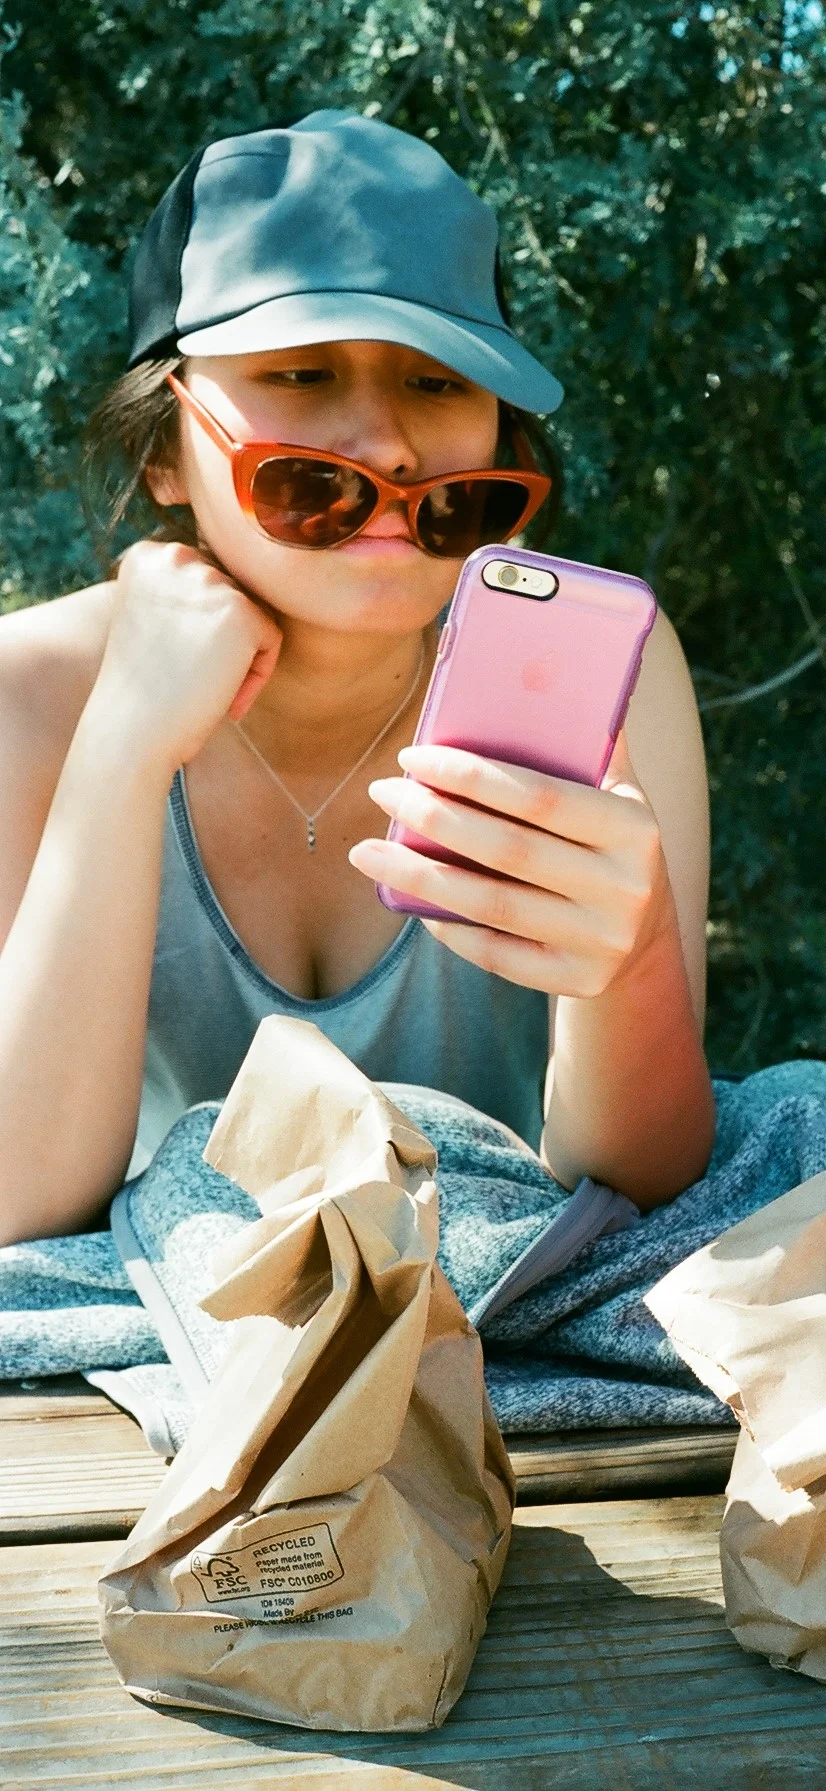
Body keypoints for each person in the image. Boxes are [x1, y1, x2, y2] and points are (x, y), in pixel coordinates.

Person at [0, 110, 715, 1249]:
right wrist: (123, 754)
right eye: (300, 371)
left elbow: (642, 1179)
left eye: (439, 383)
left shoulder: (608, 671)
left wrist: (629, 968)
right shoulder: (30, 693)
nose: (386, 442)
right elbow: (16, 1204)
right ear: (159, 451)